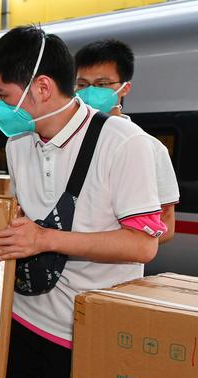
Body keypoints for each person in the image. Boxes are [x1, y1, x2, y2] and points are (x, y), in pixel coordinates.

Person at [0, 26, 163, 378]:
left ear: (41, 87)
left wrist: (44, 238)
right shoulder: (17, 146)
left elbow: (143, 246)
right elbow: (25, 219)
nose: (2, 108)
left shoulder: (124, 142)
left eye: (4, 95)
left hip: (81, 330)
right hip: (20, 315)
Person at [75, 39, 179, 243]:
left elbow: (167, 224)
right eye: (82, 84)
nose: (89, 92)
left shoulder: (150, 147)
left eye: (102, 84)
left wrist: (124, 244)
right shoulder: (63, 139)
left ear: (124, 88)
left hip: (118, 273)